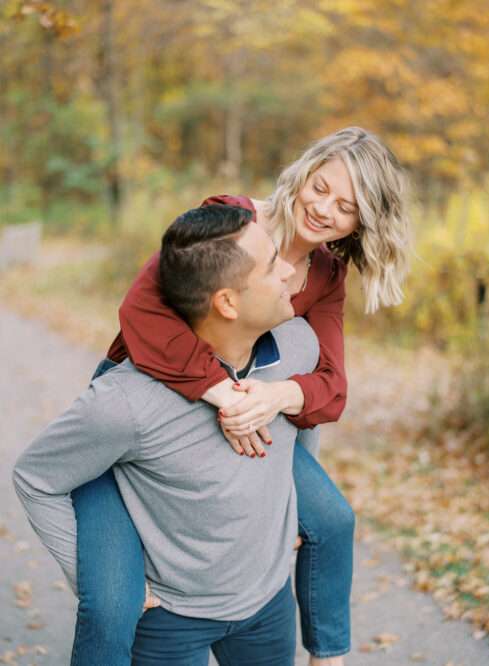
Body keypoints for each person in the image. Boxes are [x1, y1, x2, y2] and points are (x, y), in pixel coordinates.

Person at [73, 127, 411, 666]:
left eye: (346, 207)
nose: (324, 209)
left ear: (362, 222)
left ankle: (328, 656)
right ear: (304, 171)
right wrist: (224, 394)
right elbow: (142, 314)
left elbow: (332, 387)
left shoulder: (325, 272)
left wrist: (276, 395)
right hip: (146, 404)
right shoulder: (231, 221)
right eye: (321, 187)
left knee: (329, 522)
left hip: (243, 414)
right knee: (113, 603)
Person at [14, 204, 322, 666]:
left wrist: (294, 510)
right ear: (227, 302)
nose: (289, 271)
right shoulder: (127, 401)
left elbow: (305, 426)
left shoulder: (299, 345)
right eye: (273, 261)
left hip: (268, 605)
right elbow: (36, 478)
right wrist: (99, 581)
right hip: (170, 623)